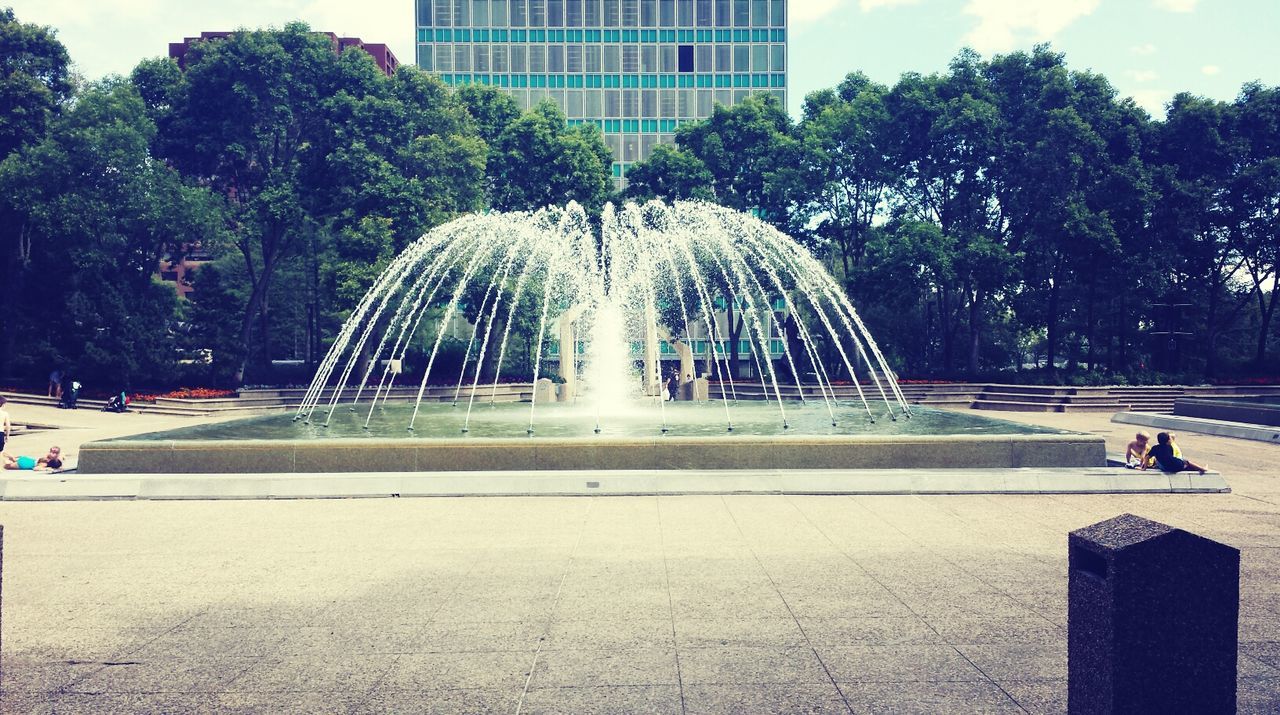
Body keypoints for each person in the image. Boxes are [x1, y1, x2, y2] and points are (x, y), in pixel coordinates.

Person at [1140, 432, 1208, 475]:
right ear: (1168, 441)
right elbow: (1171, 458)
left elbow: (1147, 457)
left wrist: (1144, 468)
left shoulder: (1155, 448)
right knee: (1187, 462)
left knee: (1185, 465)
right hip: (1176, 465)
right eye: (1170, 439)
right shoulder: (1169, 447)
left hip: (1165, 467)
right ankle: (1202, 469)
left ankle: (1191, 467)